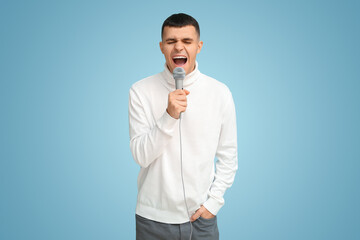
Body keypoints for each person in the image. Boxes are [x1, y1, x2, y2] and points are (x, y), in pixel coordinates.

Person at [129, 13, 238, 240]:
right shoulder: (140, 91)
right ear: (161, 47)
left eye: (187, 41)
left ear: (199, 46)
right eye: (171, 41)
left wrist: (213, 204)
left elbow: (228, 156)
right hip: (152, 221)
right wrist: (168, 116)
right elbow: (141, 156)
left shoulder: (220, 92)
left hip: (201, 221)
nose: (179, 47)